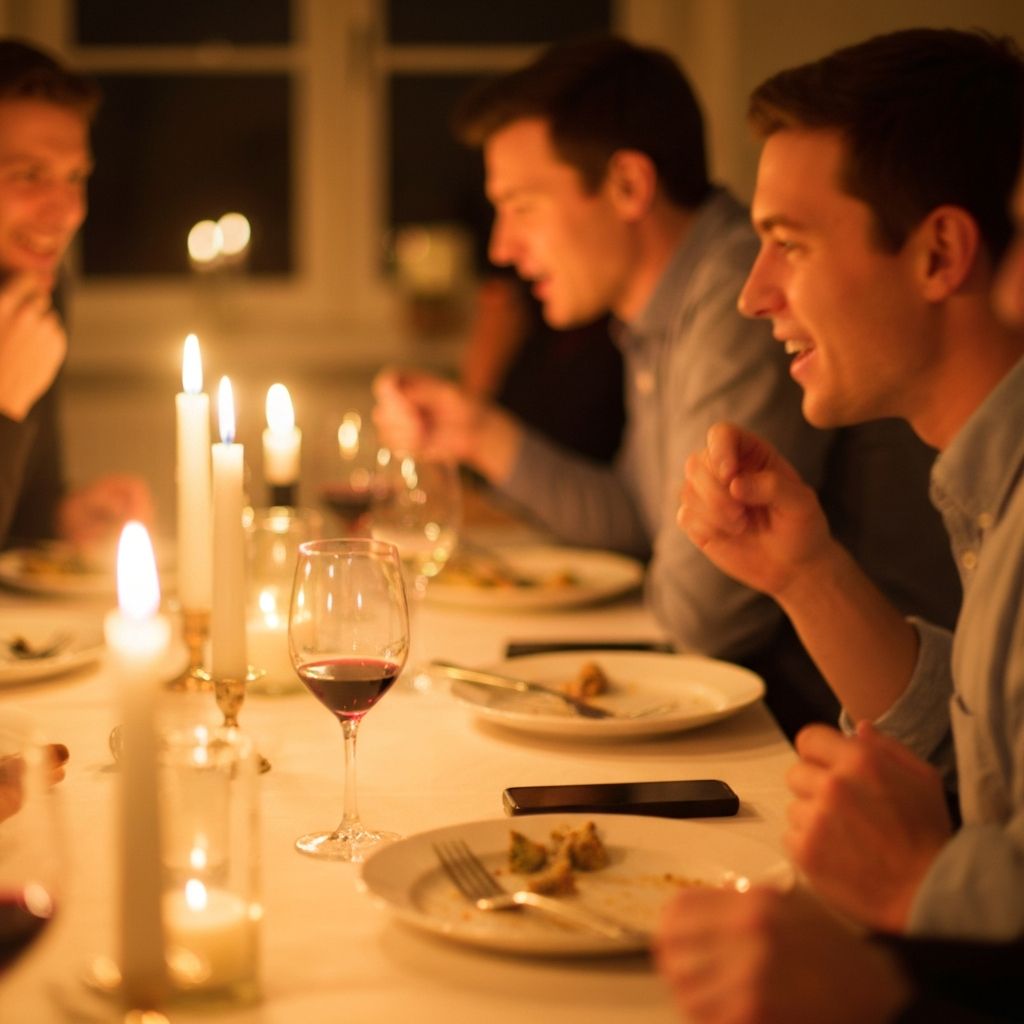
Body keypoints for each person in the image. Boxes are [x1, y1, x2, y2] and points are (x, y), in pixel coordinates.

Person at [373, 35, 959, 738]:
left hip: (833, 718)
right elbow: (635, 521)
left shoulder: (726, 292)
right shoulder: (658, 316)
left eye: (522, 205)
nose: (501, 247)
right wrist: (474, 432)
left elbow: (706, 615)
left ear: (627, 185)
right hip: (873, 719)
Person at [676, 26, 1024, 944]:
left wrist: (925, 892)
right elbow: (980, 766)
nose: (753, 295)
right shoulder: (991, 485)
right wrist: (804, 573)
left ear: (940, 253)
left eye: (788, 244)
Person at [0, 39, 151, 550]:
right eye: (29, 175)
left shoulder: (35, 290)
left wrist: (60, 517)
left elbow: (19, 506)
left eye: (74, 178)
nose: (65, 211)